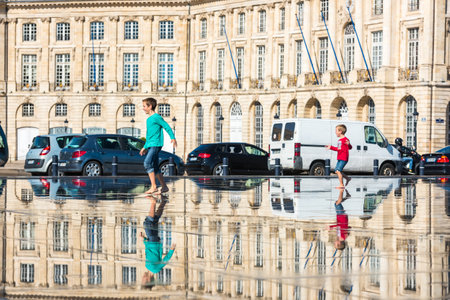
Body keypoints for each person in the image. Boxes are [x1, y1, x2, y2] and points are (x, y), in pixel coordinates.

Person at [139, 97, 177, 195]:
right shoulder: (149, 119)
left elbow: (167, 127)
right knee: (155, 166)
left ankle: (154, 187)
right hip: (151, 145)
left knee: (147, 163)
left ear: (150, 106)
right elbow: (149, 136)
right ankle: (164, 187)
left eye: (144, 106)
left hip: (156, 144)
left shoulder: (156, 117)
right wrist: (145, 147)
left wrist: (172, 137)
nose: (143, 108)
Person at [141, 195, 176, 289]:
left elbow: (149, 252)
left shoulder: (152, 268)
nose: (142, 278)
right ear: (148, 280)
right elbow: (165, 260)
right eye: (143, 281)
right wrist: (171, 250)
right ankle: (153, 202)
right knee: (148, 223)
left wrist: (144, 239)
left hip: (153, 242)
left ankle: (163, 201)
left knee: (155, 220)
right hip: (153, 241)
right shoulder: (154, 269)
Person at [326, 124, 352, 189]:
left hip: (344, 158)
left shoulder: (345, 140)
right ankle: (347, 178)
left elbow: (349, 147)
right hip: (340, 157)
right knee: (336, 171)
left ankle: (341, 185)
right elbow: (339, 149)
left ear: (340, 131)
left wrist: (331, 147)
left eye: (336, 131)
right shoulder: (340, 140)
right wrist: (331, 147)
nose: (335, 132)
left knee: (338, 170)